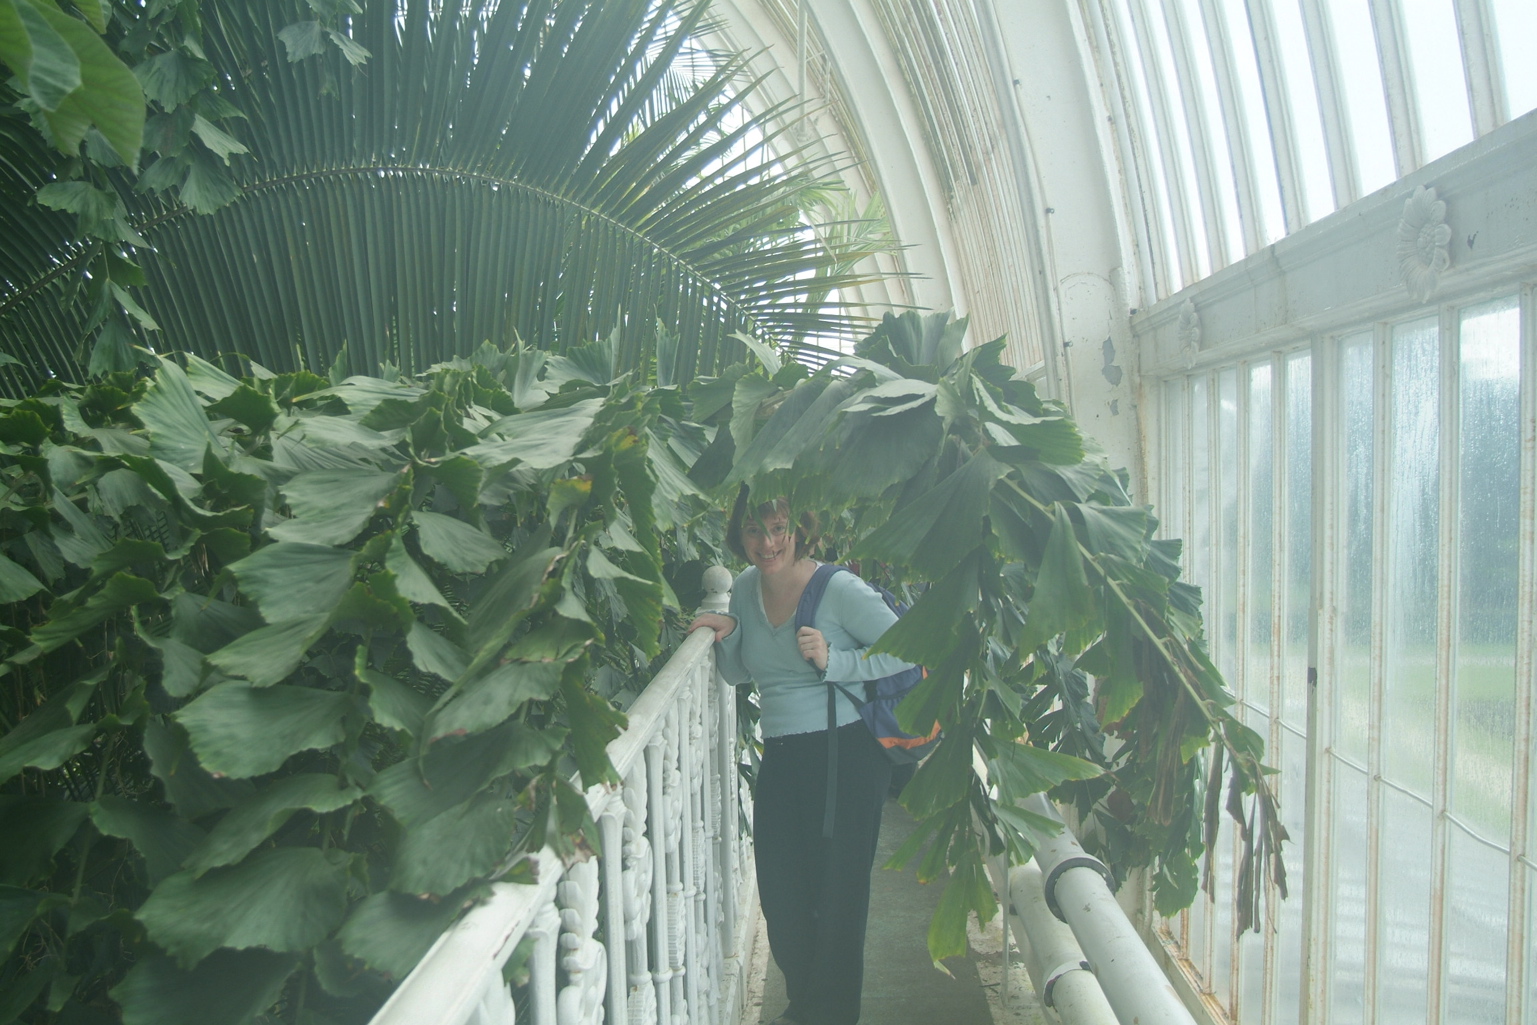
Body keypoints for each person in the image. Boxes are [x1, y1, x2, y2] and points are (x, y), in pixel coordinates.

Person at [690, 491, 917, 1025]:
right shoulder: (745, 589)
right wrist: (726, 634)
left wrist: (837, 660)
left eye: (778, 528)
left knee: (837, 896)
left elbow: (913, 647)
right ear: (738, 535)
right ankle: (809, 1007)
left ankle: (821, 1015)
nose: (766, 543)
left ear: (800, 528)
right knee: (783, 894)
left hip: (846, 753)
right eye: (753, 530)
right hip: (786, 753)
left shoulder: (836, 588)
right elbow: (739, 674)